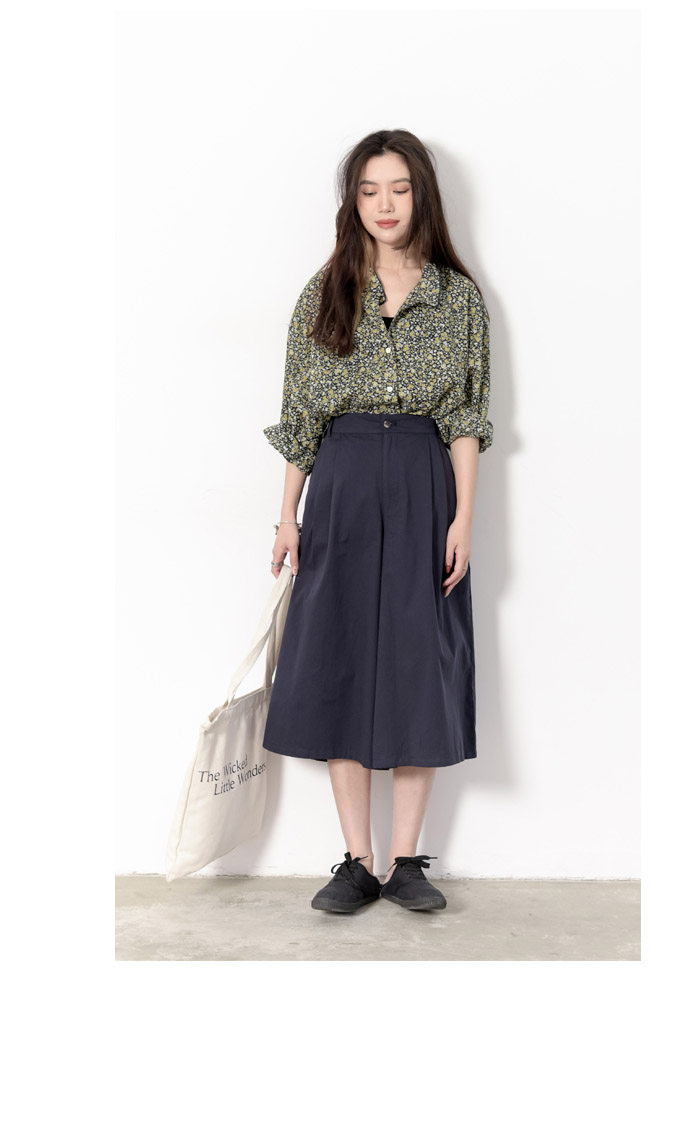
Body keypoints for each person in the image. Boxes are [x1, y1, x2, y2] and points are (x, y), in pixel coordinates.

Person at [262, 128, 493, 914]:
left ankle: (405, 863)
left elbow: (466, 416)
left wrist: (464, 516)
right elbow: (302, 416)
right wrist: (286, 516)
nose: (384, 204)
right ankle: (357, 862)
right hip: (345, 478)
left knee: (418, 659)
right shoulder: (324, 291)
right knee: (340, 655)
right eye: (369, 189)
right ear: (351, 201)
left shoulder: (457, 298)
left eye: (399, 188)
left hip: (427, 478)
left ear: (421, 194)